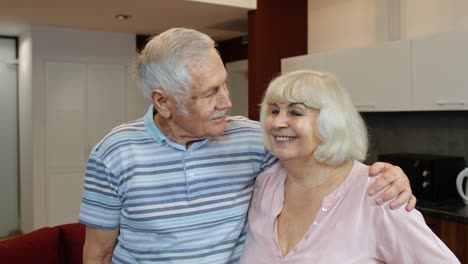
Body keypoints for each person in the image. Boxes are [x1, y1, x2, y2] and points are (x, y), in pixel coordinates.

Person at [79, 28, 416, 264]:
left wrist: (385, 175)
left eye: (223, 84)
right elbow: (98, 254)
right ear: (163, 101)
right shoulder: (113, 154)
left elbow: (321, 163)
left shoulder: (254, 139)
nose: (227, 101)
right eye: (210, 93)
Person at [239, 70, 459, 263]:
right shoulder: (264, 184)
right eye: (274, 110)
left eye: (296, 112)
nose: (277, 123)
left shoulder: (378, 193)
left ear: (330, 121)